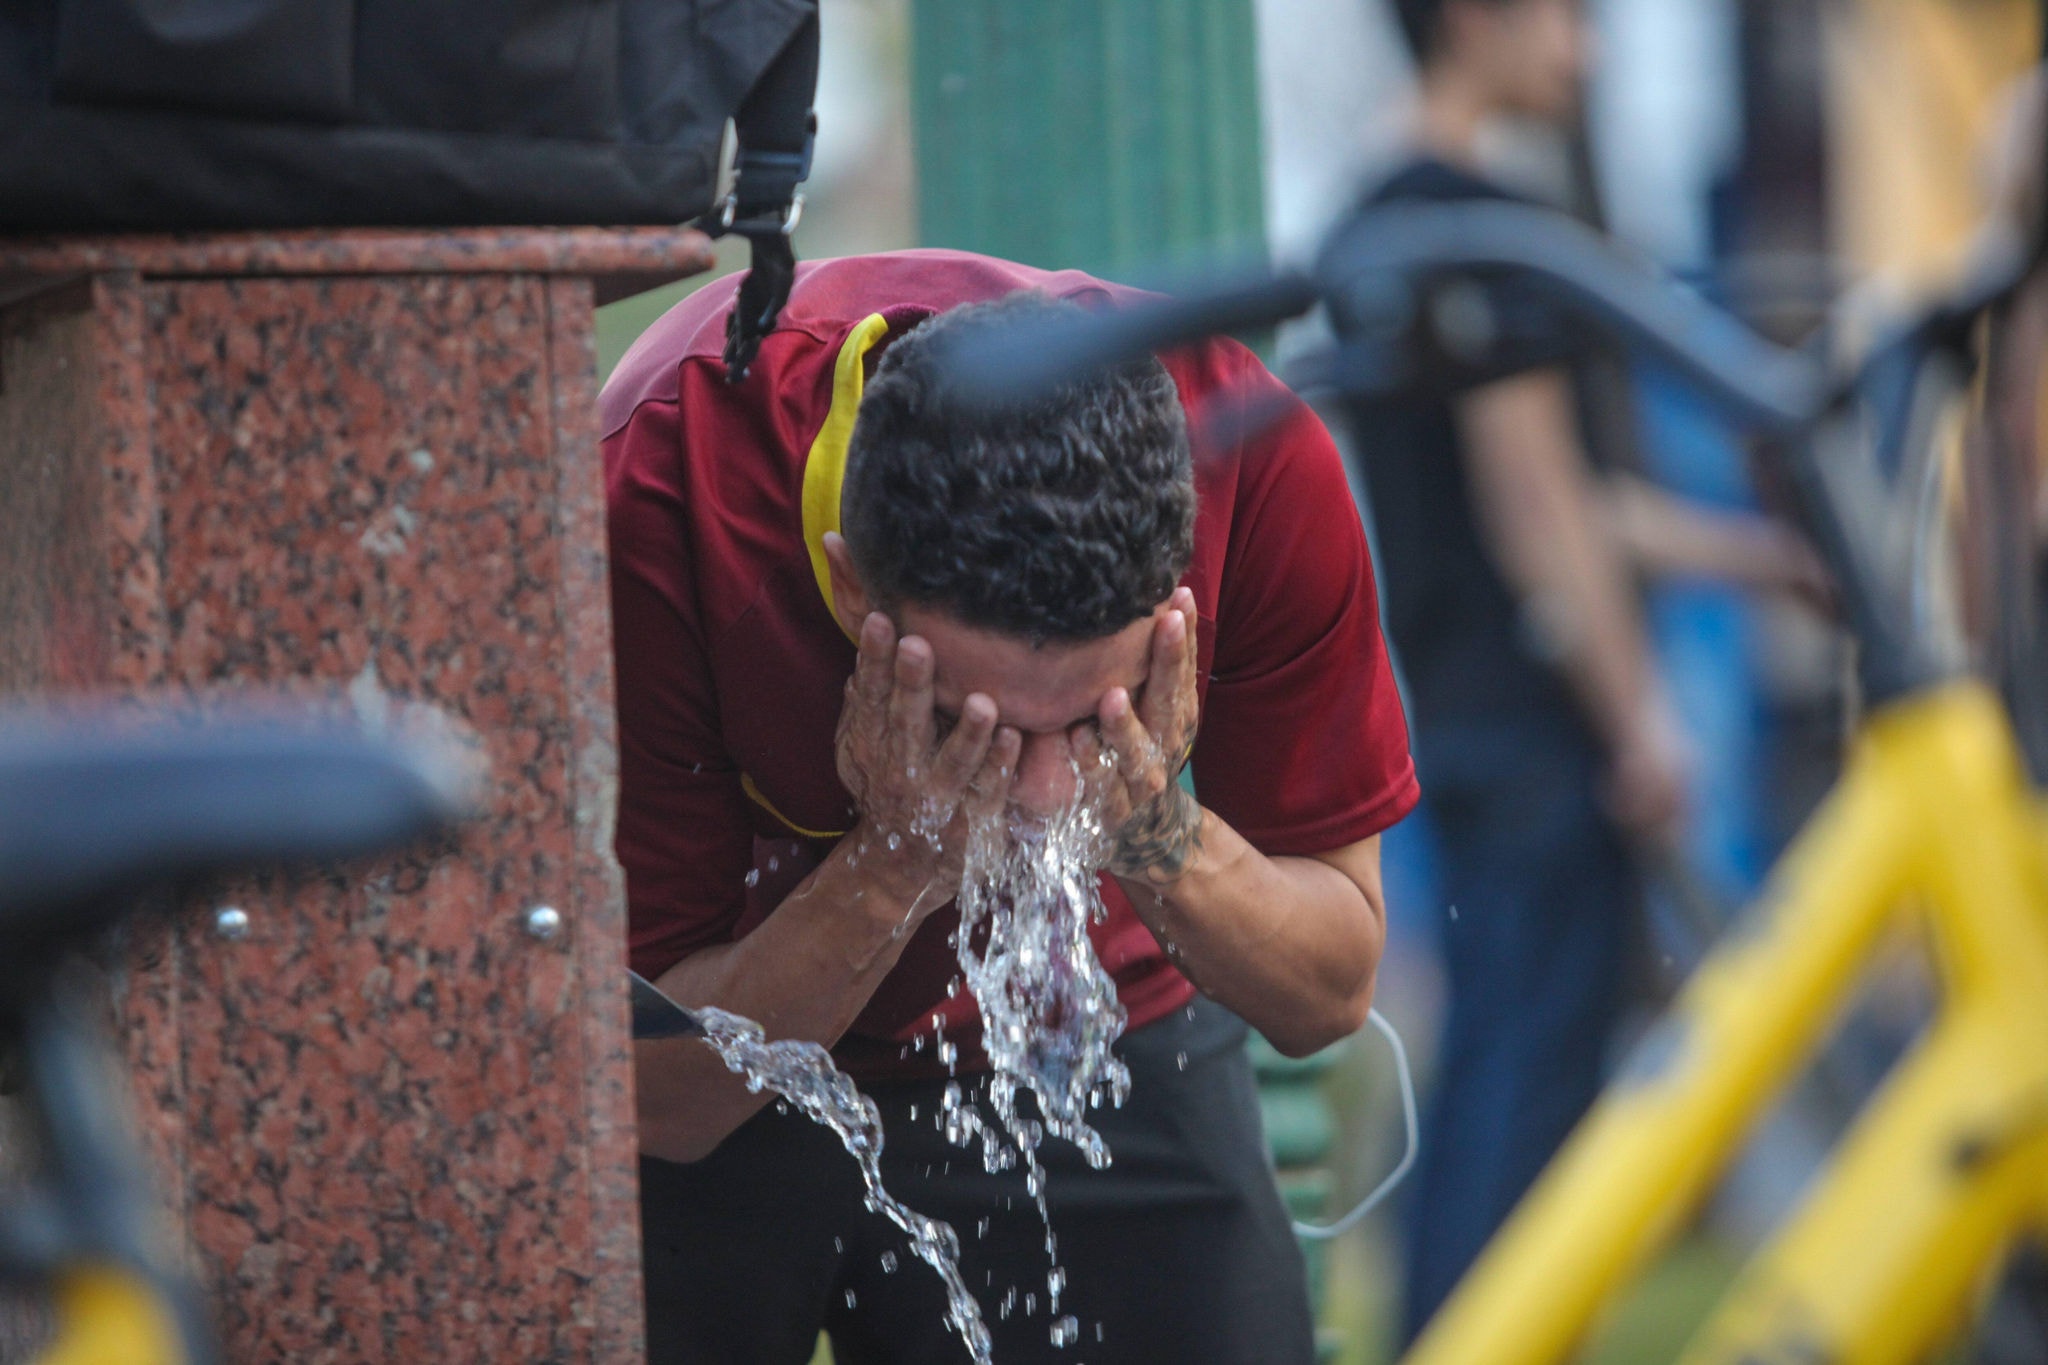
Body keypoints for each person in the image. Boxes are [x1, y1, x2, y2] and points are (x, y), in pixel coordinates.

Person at [603, 249, 1419, 1364]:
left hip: (1096, 1013)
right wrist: (891, 863)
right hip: (744, 1009)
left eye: (1095, 721)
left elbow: (1328, 990)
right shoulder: (660, 484)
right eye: (965, 720)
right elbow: (656, 1100)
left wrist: (1153, 831)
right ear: (850, 590)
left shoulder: (1255, 458)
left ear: (1183, 597)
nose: (1041, 800)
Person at [1364, 0, 1831, 1342]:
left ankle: (1437, 1336)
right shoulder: (1480, 228)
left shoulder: (1373, 221)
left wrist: (1758, 557)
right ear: (1472, 21)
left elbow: (1574, 498)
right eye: (1567, 18)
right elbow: (1541, 507)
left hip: (1448, 715)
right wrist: (1640, 722)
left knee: (1483, 1088)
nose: (1589, 51)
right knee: (1532, 1113)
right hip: (1538, 726)